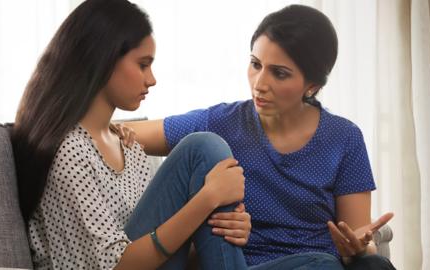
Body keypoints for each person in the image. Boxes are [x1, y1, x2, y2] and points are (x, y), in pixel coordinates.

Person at [115, 4, 396, 270]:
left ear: (311, 86)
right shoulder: (222, 123)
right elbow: (116, 131)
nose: (260, 84)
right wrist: (113, 130)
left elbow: (356, 236)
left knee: (360, 265)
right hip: (234, 262)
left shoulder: (344, 138)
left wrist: (357, 250)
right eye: (255, 64)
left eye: (280, 73)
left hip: (313, 264)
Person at [11, 0, 254, 269]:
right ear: (102, 59)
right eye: (142, 64)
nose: (151, 79)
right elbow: (116, 265)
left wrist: (220, 231)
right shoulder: (69, 152)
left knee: (309, 263)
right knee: (203, 148)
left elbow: (170, 255)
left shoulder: (130, 148)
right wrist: (208, 199)